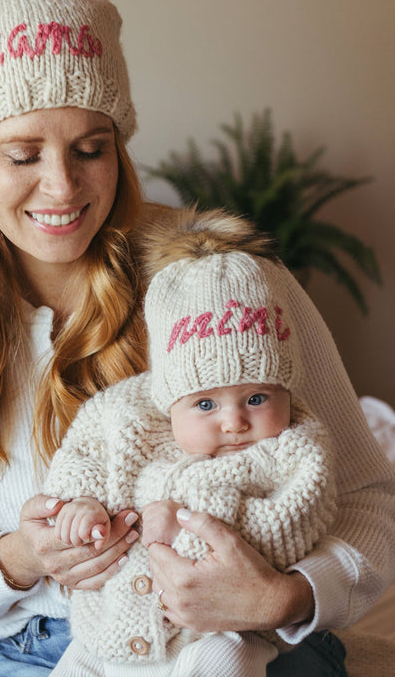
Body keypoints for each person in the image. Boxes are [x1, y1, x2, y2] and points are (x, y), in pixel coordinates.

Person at [0, 0, 395, 677]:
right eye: (22, 155)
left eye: (90, 150)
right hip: (48, 648)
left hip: (251, 635)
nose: (62, 187)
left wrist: (284, 598)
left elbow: (374, 501)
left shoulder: (224, 283)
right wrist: (19, 559)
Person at [44, 227, 339, 676]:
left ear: (285, 391)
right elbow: (85, 454)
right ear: (170, 402)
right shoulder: (132, 418)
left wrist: (181, 528)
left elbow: (289, 529)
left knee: (225, 661)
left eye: (257, 398)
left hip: (222, 628)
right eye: (205, 405)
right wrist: (80, 503)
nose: (234, 422)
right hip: (111, 624)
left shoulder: (296, 449)